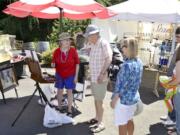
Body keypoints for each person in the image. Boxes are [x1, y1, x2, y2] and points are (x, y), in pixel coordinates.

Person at [110, 38, 143, 135]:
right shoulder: (139, 62)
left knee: (122, 124)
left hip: (123, 101)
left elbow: (121, 86)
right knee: (129, 119)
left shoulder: (127, 65)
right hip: (133, 98)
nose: (121, 48)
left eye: (124, 46)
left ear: (129, 48)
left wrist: (114, 100)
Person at [84, 24, 112, 133]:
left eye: (89, 36)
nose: (88, 38)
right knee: (96, 99)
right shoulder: (93, 44)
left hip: (100, 77)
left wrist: (101, 74)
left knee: (99, 101)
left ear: (95, 34)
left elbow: (108, 58)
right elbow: (86, 51)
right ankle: (97, 118)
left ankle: (101, 123)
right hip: (94, 77)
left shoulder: (103, 43)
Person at [51, 32, 80, 117]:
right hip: (59, 74)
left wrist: (76, 76)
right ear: (61, 42)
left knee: (69, 92)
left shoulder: (73, 50)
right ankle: (59, 107)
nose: (68, 42)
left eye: (69, 40)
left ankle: (69, 110)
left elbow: (77, 64)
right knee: (59, 91)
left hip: (70, 74)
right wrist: (53, 64)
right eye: (65, 40)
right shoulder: (56, 51)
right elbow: (53, 62)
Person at [167, 31, 180, 135]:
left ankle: (177, 128)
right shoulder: (178, 46)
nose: (177, 39)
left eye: (179, 36)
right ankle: (176, 127)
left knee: (178, 109)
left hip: (177, 84)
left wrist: (170, 84)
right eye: (176, 36)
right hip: (175, 82)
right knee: (174, 104)